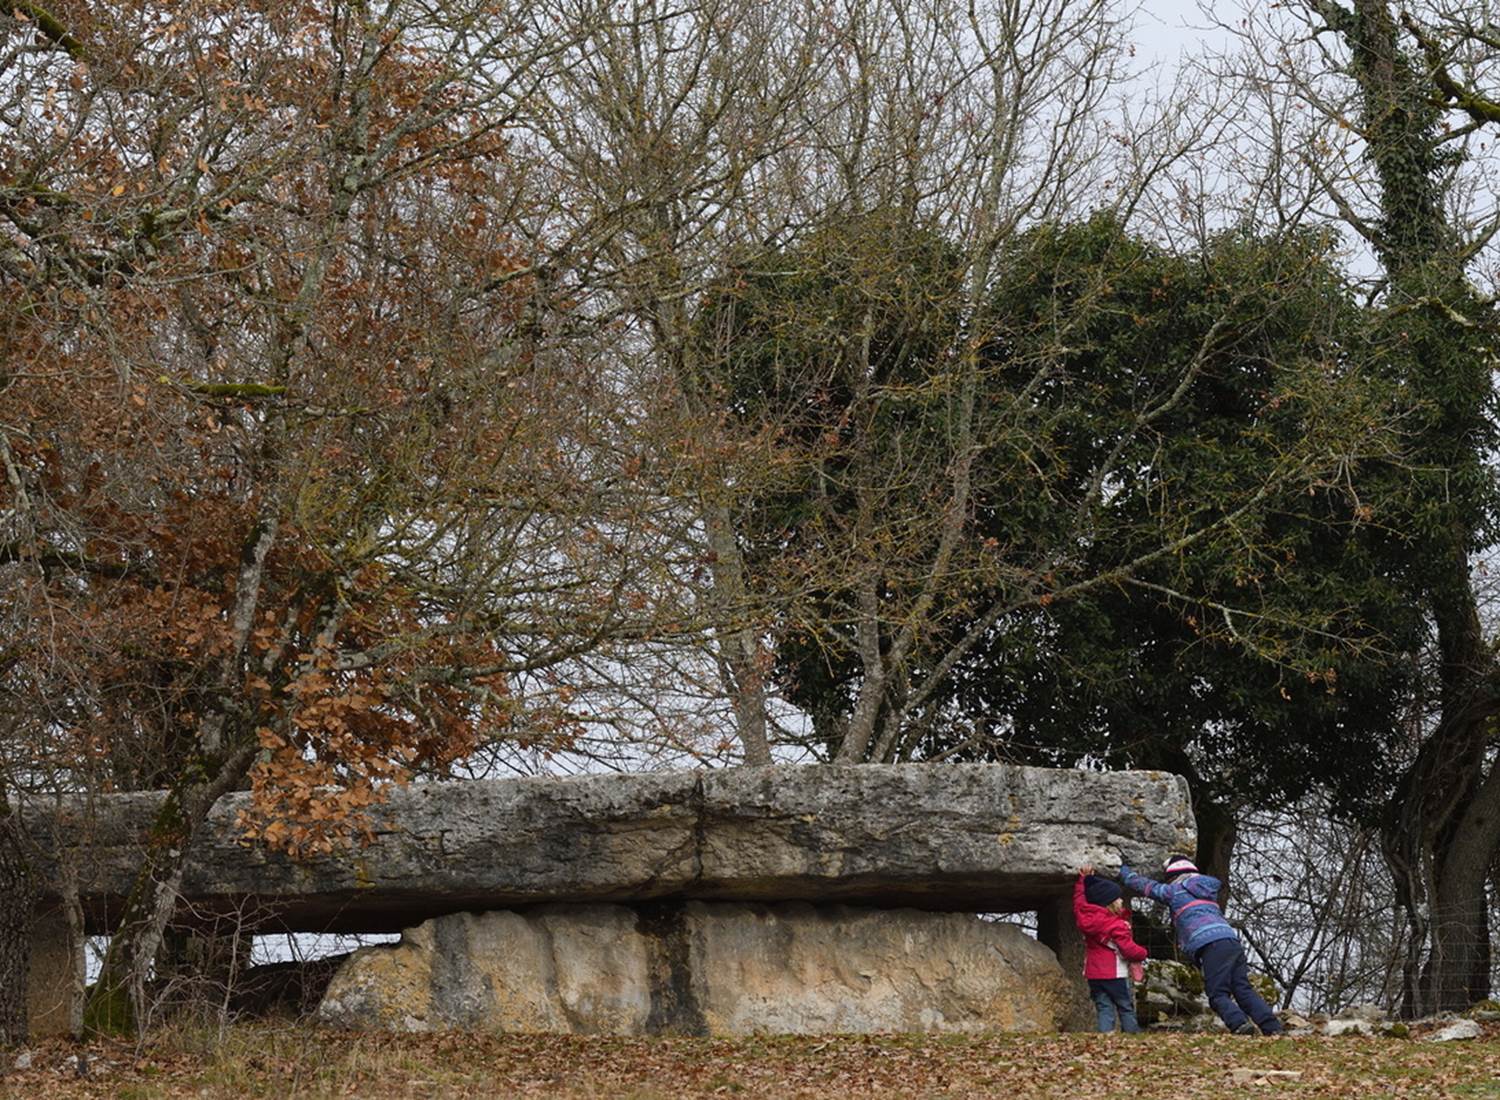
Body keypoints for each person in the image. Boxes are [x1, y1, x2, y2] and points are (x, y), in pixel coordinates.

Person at [1119, 855, 1284, 1036]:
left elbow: (1147, 887)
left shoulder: (1175, 891)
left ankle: (1239, 1025)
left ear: (1173, 876)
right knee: (1242, 988)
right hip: (1231, 941)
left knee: (1217, 994)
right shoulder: (1207, 892)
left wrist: (1122, 870)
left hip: (1210, 944)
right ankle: (1272, 1027)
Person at [1074, 864, 1148, 1033]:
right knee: (1124, 1006)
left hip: (1093, 973)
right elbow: (1128, 950)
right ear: (1110, 903)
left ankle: (1105, 1037)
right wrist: (1143, 953)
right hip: (1114, 973)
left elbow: (1078, 903)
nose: (1122, 900)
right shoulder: (1116, 925)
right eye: (1118, 898)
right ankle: (1132, 1034)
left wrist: (1083, 881)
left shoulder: (1084, 918)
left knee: (1103, 1006)